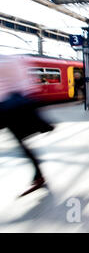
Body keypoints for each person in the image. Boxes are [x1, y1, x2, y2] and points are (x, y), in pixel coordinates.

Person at [0, 55, 54, 197]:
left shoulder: (6, 61)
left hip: (7, 107)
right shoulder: (15, 60)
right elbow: (27, 84)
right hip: (16, 105)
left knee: (22, 144)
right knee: (22, 144)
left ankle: (38, 176)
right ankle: (38, 176)